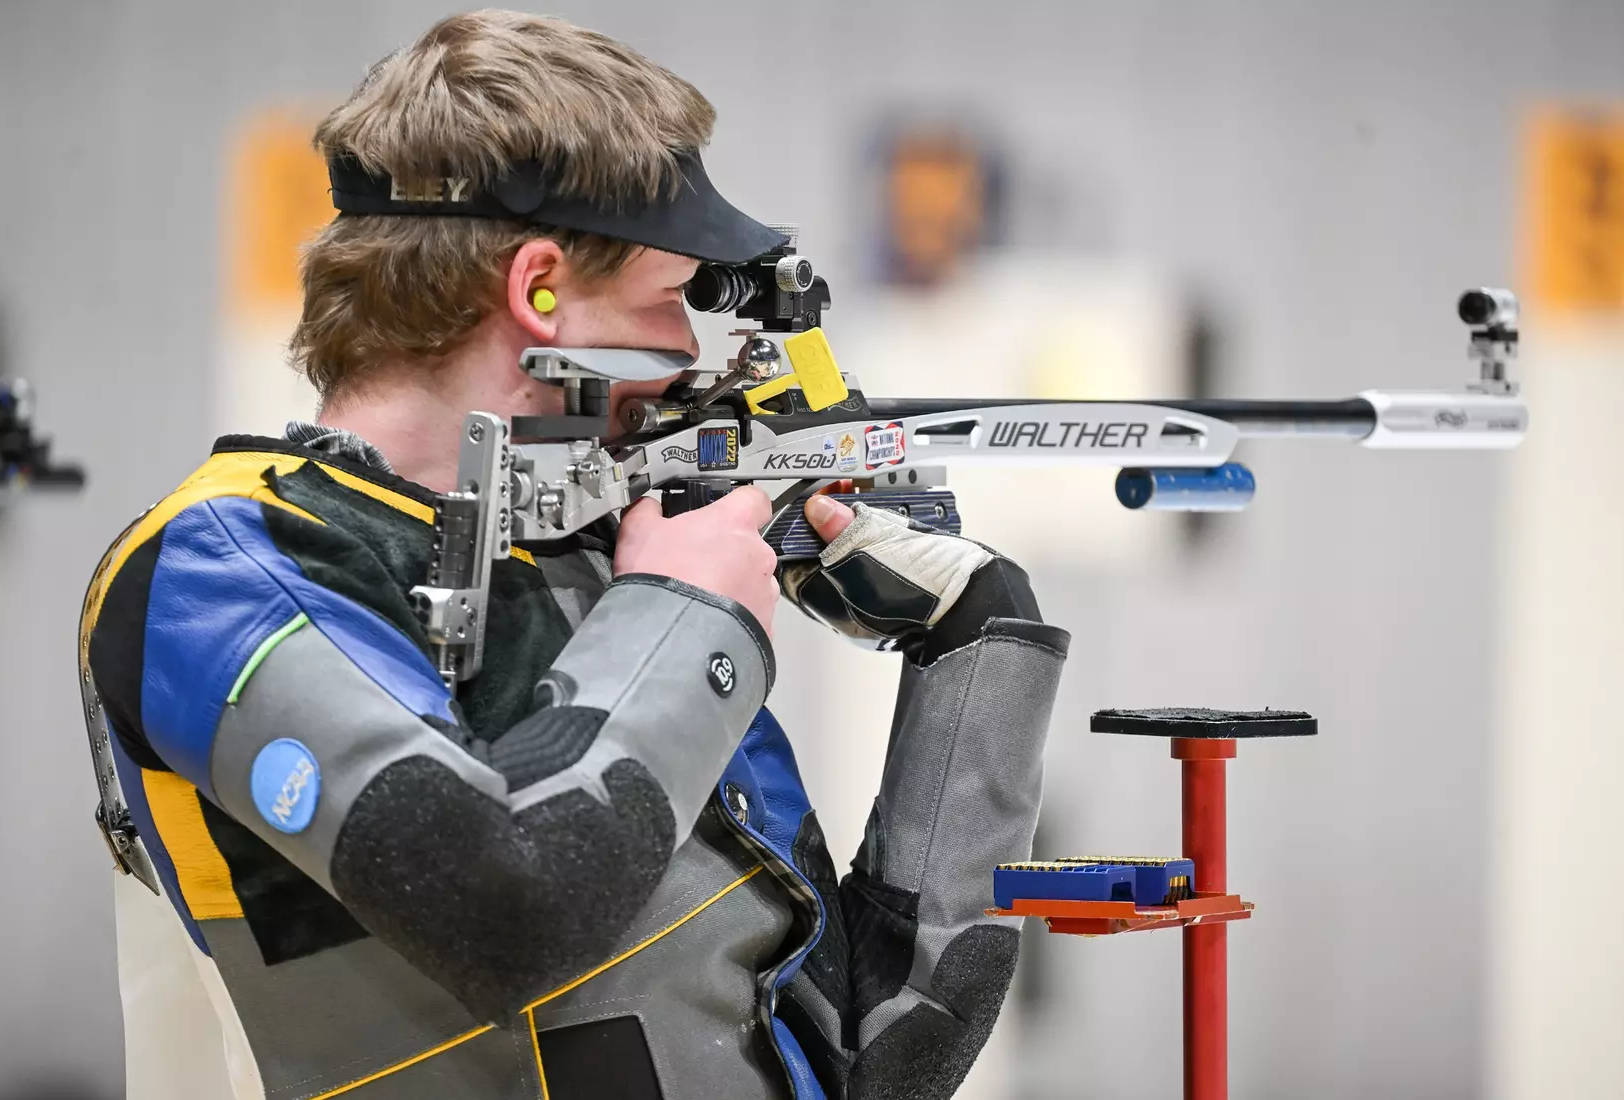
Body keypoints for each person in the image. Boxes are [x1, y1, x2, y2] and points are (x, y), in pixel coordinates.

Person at [80, 10, 1069, 1099]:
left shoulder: (592, 557)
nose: (689, 350)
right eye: (664, 299)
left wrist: (976, 636)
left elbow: (882, 1057)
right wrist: (686, 610)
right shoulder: (220, 565)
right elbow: (508, 908)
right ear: (539, 286)